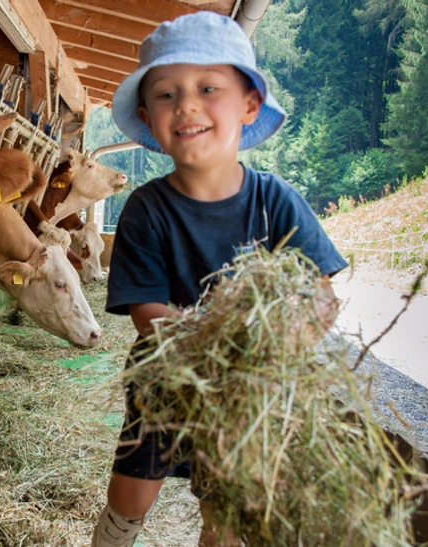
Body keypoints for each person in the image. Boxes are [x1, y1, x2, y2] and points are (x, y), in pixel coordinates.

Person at [90, 11, 348, 547]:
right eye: (166, 94)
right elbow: (148, 315)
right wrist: (213, 347)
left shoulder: (274, 200)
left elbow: (319, 295)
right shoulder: (146, 209)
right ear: (147, 116)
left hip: (249, 394)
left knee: (226, 505)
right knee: (132, 492)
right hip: (165, 383)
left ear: (248, 104)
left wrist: (273, 351)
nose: (186, 104)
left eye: (209, 88)